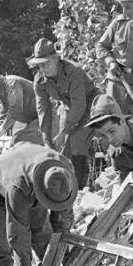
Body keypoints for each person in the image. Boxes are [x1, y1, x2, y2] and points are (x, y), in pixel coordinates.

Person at [29, 39, 98, 189]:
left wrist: (64, 133)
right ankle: (67, 186)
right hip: (68, 106)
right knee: (63, 151)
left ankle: (82, 187)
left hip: (90, 102)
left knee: (77, 140)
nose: (43, 68)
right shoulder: (39, 81)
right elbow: (43, 110)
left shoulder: (74, 71)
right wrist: (47, 139)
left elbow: (80, 105)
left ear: (56, 58)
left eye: (46, 63)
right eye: (39, 65)